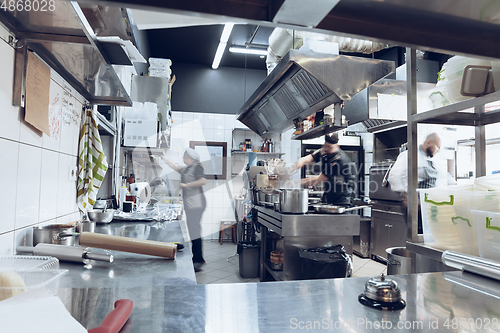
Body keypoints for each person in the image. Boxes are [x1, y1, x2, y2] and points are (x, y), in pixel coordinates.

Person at [162, 148, 207, 272]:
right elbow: (175, 167)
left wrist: (186, 185)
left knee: (195, 231)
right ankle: (196, 258)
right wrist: (163, 157)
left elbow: (203, 180)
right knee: (193, 231)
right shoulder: (186, 168)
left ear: (190, 158)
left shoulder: (197, 167)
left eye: (184, 157)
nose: (183, 159)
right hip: (190, 204)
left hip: (197, 204)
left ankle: (198, 260)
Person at [292, 132, 356, 206]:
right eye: (324, 145)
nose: (326, 149)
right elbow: (305, 160)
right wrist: (290, 170)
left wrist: (294, 182)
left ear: (337, 146)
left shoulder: (339, 160)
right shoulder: (324, 151)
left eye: (329, 147)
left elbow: (318, 179)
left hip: (342, 201)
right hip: (329, 196)